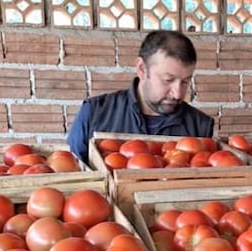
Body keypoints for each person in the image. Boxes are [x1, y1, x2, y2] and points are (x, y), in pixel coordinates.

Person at [67, 30, 215, 161]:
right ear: (142, 69)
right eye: (168, 80)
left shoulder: (201, 126)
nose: (177, 94)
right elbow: (72, 173)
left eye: (185, 82)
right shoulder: (94, 113)